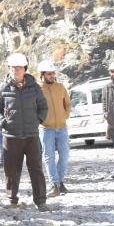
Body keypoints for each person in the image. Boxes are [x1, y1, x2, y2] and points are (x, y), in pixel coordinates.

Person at [0, 53, 49, 210]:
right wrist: (2, 122)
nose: (15, 70)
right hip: (11, 136)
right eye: (12, 67)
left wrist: (38, 120)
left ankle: (41, 201)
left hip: (32, 136)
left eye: (18, 67)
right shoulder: (2, 88)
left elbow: (44, 107)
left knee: (36, 169)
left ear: (25, 69)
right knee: (11, 171)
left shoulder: (35, 88)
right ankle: (11, 199)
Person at [37, 61, 71, 196]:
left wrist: (64, 115)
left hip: (62, 127)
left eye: (53, 73)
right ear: (42, 75)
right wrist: (41, 120)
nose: (51, 76)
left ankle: (60, 182)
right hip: (46, 129)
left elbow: (68, 104)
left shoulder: (61, 87)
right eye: (49, 74)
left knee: (64, 156)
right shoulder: (37, 89)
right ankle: (54, 183)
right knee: (48, 157)